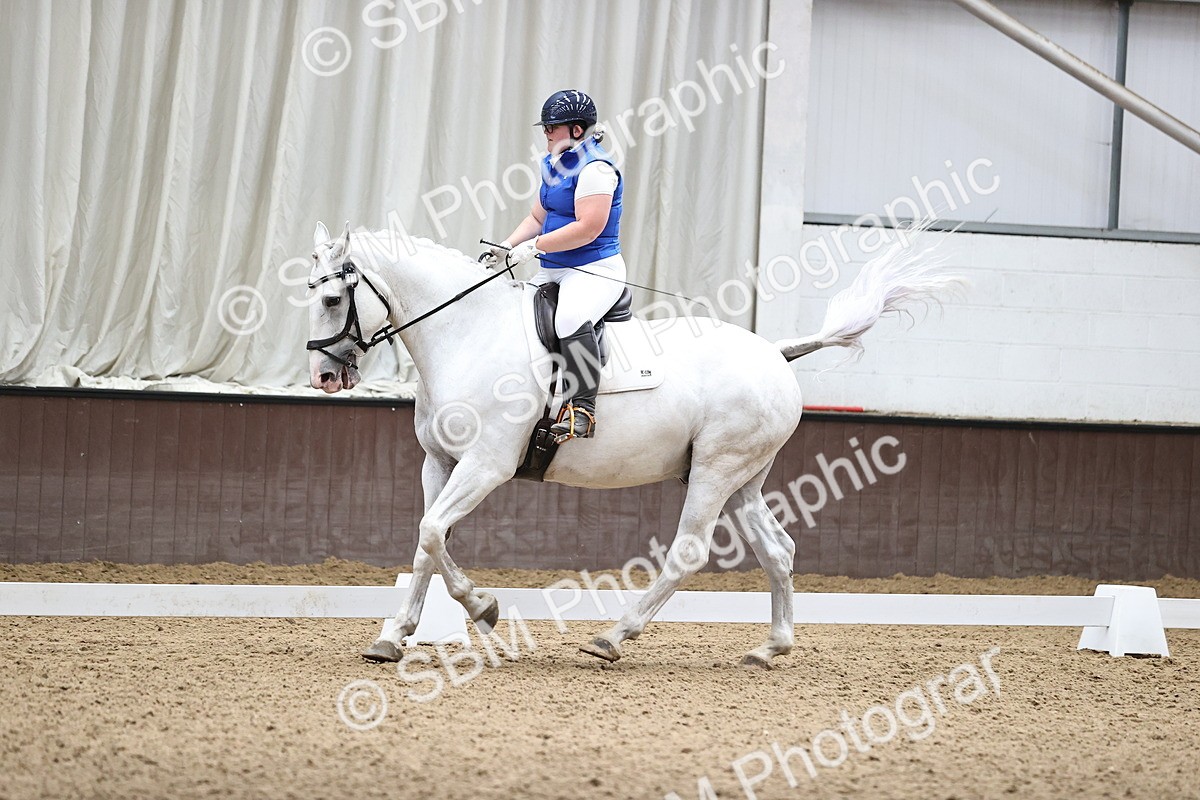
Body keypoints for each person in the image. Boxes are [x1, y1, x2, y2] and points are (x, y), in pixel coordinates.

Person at [490, 90, 626, 443]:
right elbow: (538, 215)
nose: (547, 132)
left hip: (594, 267)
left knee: (568, 319)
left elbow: (588, 228)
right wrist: (507, 246)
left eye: (553, 126)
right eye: (546, 126)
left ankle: (583, 410)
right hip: (553, 267)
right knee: (513, 314)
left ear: (577, 130)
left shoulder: (596, 168)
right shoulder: (554, 163)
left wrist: (534, 247)